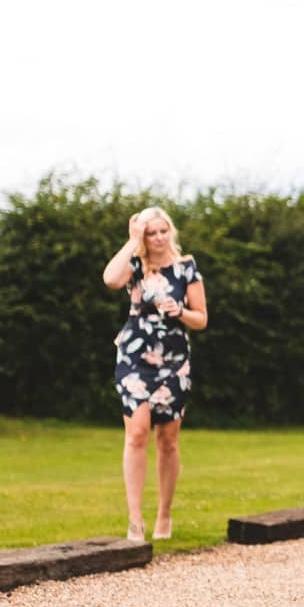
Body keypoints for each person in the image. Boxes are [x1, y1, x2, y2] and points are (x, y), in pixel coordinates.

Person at [103, 207, 207, 542]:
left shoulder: (186, 267)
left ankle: (164, 514)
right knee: (137, 432)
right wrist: (132, 240)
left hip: (173, 359)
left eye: (163, 231)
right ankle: (135, 519)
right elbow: (110, 279)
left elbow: (202, 318)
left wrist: (182, 312)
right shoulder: (134, 264)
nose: (158, 238)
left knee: (168, 440)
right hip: (134, 354)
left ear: (170, 232)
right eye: (152, 232)